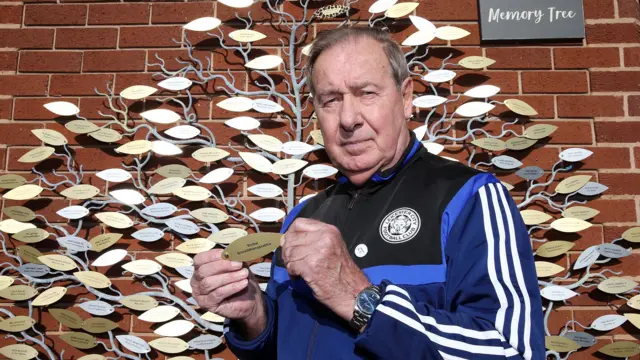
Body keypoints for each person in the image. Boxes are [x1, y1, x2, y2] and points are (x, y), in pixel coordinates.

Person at [191, 26, 545, 359]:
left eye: (366, 93)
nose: (348, 118)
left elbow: (512, 349)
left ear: (406, 98)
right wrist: (254, 315)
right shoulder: (303, 216)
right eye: (331, 100)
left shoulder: (469, 197)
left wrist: (360, 299)